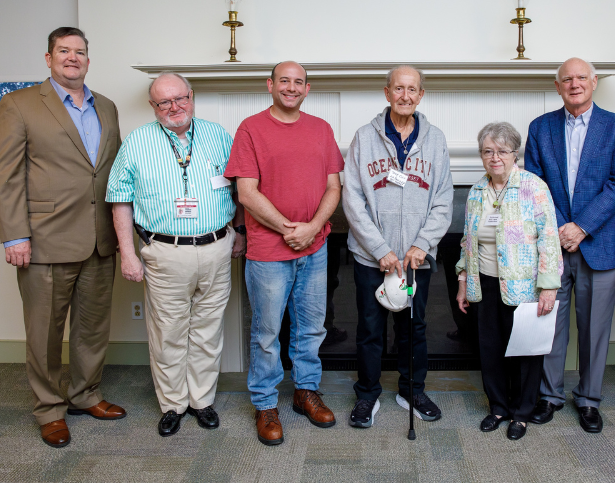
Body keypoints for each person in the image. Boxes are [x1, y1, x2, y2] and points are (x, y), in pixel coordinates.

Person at [0, 27, 124, 448]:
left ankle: (85, 395)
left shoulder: (107, 106)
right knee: (45, 333)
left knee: (92, 327)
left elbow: (111, 172)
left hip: (101, 239)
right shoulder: (20, 104)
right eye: (63, 51)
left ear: (88, 59)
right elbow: (4, 176)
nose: (72, 57)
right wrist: (15, 237)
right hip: (45, 240)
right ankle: (49, 409)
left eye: (79, 52)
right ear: (48, 58)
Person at [106, 72, 246, 437]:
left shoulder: (218, 135)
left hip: (217, 247)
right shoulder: (137, 142)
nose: (174, 107)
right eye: (164, 102)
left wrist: (241, 232)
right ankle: (173, 404)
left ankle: (202, 400)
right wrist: (128, 254)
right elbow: (119, 200)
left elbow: (241, 188)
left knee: (207, 330)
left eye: (180, 98)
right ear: (153, 107)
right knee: (168, 333)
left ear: (192, 96)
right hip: (165, 252)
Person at [225, 61, 344, 446]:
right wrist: (287, 230)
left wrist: (310, 229)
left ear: (307, 89)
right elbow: (246, 192)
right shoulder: (251, 129)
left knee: (311, 327)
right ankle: (265, 404)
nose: (291, 88)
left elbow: (333, 188)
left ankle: (305, 391)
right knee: (266, 333)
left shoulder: (321, 129)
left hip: (316, 248)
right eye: (284, 81)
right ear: (270, 85)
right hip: (268, 252)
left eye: (298, 82)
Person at [523, 57, 615, 433]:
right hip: (553, 244)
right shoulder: (540, 127)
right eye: (567, 79)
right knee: (549, 322)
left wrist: (581, 227)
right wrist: (560, 229)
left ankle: (588, 399)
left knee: (594, 327)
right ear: (557, 86)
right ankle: (550, 395)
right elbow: (535, 184)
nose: (575, 84)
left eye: (581, 77)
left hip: (600, 242)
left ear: (594, 82)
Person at [342, 65, 453, 428]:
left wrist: (422, 245)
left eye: (412, 89)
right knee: (370, 331)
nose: (405, 95)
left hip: (414, 261)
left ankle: (412, 389)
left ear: (421, 95)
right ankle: (367, 395)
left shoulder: (435, 139)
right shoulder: (364, 136)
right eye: (398, 88)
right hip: (371, 258)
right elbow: (353, 200)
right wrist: (380, 250)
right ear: (387, 92)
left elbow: (443, 200)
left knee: (413, 328)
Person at [455, 122, 562, 441]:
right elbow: (467, 240)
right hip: (484, 283)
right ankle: (498, 407)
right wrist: (463, 279)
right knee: (490, 350)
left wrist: (549, 285)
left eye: (502, 151)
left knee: (526, 353)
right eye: (488, 151)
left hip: (525, 287)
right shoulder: (476, 191)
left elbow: (549, 239)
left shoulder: (534, 187)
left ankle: (522, 414)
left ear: (515, 154)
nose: (495, 157)